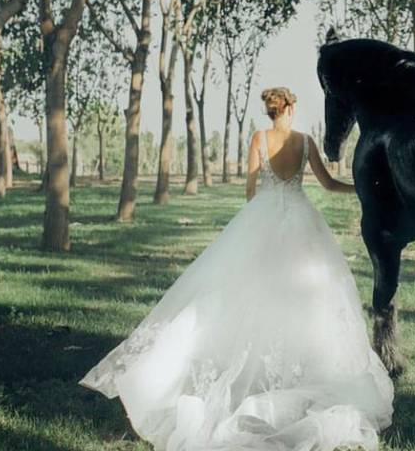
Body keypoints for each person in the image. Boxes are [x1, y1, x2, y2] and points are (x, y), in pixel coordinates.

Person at [80, 86, 393, 451]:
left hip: (264, 216)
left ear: (271, 110)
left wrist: (255, 222)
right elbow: (326, 183)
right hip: (301, 220)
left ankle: (257, 364)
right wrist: (362, 189)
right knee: (308, 295)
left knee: (251, 291)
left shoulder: (259, 138)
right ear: (290, 107)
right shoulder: (305, 141)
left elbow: (250, 189)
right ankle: (295, 364)